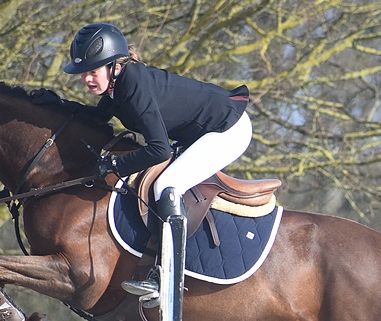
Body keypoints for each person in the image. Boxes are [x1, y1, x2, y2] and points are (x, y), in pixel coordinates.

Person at [64, 23, 252, 304]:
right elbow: (95, 118)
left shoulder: (133, 87)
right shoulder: (117, 86)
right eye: (84, 74)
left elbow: (159, 150)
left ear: (114, 66)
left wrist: (115, 166)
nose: (87, 80)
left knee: (166, 184)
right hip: (203, 132)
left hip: (228, 129)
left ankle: (166, 274)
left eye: (93, 72)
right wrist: (53, 106)